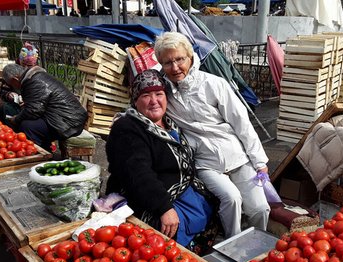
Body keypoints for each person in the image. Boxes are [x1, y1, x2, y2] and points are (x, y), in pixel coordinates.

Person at [154, 32, 270, 238]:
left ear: (190, 57)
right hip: (205, 163)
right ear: (161, 65)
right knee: (232, 198)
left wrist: (259, 161)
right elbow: (145, 102)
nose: (175, 67)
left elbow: (241, 123)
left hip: (238, 156)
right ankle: (232, 244)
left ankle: (257, 241)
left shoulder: (214, 84)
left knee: (260, 208)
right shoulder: (164, 93)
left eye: (180, 59)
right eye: (167, 62)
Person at [106, 69, 214, 247]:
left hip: (180, 189)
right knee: (164, 236)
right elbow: (138, 173)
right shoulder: (127, 128)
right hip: (148, 196)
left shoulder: (169, 122)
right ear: (135, 101)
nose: (154, 101)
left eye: (159, 94)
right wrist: (164, 208)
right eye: (146, 95)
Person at [1, 63, 87, 151]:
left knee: (27, 126)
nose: (12, 87)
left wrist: (16, 119)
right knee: (18, 115)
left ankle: (41, 154)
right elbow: (38, 104)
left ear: (15, 79)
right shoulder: (34, 77)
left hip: (69, 122)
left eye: (11, 84)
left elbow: (34, 110)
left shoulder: (33, 82)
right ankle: (44, 148)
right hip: (67, 117)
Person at [0, 42, 39, 125]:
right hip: (14, 104)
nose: (26, 68)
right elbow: (3, 91)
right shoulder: (11, 72)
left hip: (32, 106)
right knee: (5, 109)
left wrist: (29, 101)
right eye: (24, 65)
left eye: (30, 66)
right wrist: (9, 94)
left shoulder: (38, 73)